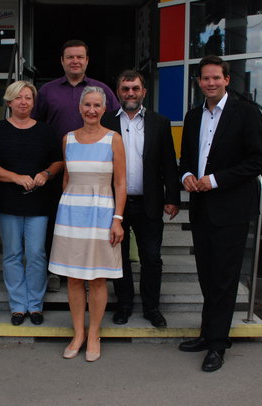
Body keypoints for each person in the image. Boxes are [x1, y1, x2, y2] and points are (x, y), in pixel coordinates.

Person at [179, 55, 262, 372]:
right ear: (199, 82)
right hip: (201, 209)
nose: (210, 83)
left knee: (224, 277)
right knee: (207, 274)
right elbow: (186, 159)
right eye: (205, 78)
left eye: (216, 77)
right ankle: (208, 334)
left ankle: (218, 345)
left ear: (226, 79)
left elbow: (259, 160)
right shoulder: (193, 117)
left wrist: (215, 180)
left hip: (230, 209)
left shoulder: (246, 113)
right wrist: (186, 176)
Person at [32, 40, 120, 292]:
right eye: (70, 57)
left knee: (93, 226)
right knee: (58, 221)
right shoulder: (47, 91)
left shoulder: (101, 90)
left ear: (87, 60)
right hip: (59, 167)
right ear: (62, 61)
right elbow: (36, 126)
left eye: (80, 57)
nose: (75, 61)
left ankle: (93, 270)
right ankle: (57, 270)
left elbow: (115, 124)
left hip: (95, 170)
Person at [49, 86, 126, 362]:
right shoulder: (67, 139)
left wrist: (117, 219)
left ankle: (94, 333)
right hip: (71, 215)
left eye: (97, 105)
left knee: (97, 278)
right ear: (79, 109)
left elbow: (120, 182)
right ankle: (78, 333)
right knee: (73, 278)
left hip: (101, 214)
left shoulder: (113, 139)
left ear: (104, 109)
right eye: (87, 105)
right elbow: (67, 178)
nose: (91, 110)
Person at [101, 70, 181, 328]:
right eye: (125, 89)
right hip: (116, 204)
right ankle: (124, 305)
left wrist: (173, 197)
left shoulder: (159, 122)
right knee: (119, 257)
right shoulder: (105, 122)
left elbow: (169, 163)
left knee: (151, 257)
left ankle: (151, 307)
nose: (130, 93)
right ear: (118, 92)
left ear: (144, 91)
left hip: (150, 201)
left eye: (135, 88)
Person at [0, 81, 63, 326]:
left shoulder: (46, 131)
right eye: (18, 98)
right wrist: (15, 177)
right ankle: (18, 306)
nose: (23, 102)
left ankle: (35, 305)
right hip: (8, 203)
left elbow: (58, 162)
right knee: (12, 254)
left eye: (28, 98)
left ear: (33, 102)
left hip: (39, 203)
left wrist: (46, 174)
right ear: (9, 102)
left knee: (37, 254)